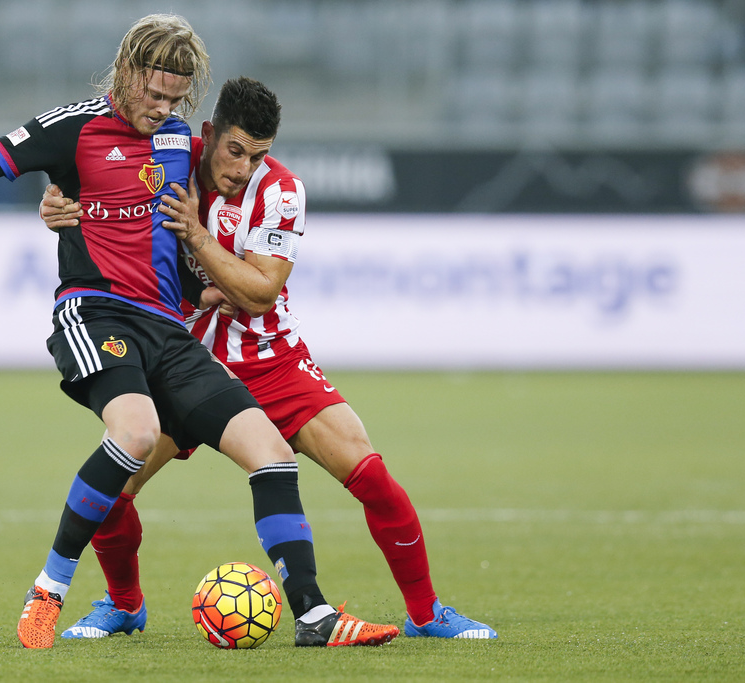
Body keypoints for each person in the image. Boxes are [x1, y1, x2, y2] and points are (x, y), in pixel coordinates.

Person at [0, 15, 398, 650]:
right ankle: (49, 589)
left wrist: (202, 287)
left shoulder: (180, 141)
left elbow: (171, 233)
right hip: (94, 313)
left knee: (269, 451)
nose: (161, 110)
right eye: (152, 94)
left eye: (174, 99)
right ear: (126, 71)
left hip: (167, 327)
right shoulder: (70, 128)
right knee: (135, 432)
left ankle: (314, 616)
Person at [40, 76, 498, 641]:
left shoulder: (281, 191)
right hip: (184, 360)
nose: (242, 168)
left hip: (272, 361)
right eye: (234, 150)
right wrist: (63, 207)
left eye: (257, 155)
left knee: (374, 478)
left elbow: (258, 293)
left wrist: (197, 238)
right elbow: (98, 198)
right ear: (209, 135)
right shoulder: (166, 163)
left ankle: (427, 616)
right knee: (115, 490)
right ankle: (123, 605)